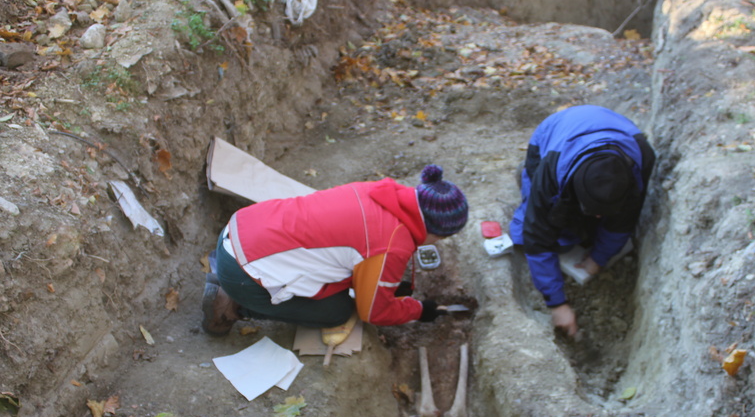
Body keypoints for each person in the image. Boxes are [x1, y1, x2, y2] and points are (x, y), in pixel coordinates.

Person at [201, 164, 469, 336]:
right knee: (337, 312)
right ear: (435, 230)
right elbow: (374, 312)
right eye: (442, 238)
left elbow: (352, 248)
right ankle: (232, 304)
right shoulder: (391, 246)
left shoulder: (379, 191)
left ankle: (226, 274)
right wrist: (420, 310)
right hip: (246, 269)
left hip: (240, 230)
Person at [509, 105, 656, 339]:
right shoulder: (552, 169)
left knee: (589, 232)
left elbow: (623, 221)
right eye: (593, 211)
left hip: (611, 130)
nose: (599, 217)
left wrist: (598, 259)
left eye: (603, 213)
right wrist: (557, 304)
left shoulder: (642, 158)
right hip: (552, 138)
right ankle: (525, 174)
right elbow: (537, 236)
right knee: (549, 233)